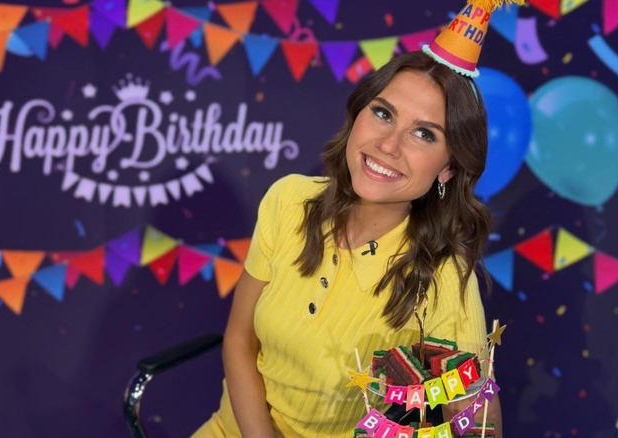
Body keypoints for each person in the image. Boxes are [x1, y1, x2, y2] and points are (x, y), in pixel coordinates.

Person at [191, 50, 501, 437]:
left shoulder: (443, 275)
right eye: (383, 113)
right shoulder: (288, 201)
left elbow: (481, 426)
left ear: (449, 168)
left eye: (424, 134)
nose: (388, 145)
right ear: (357, 116)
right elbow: (239, 339)